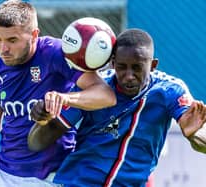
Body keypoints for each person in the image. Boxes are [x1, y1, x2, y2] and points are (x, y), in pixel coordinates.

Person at [0, 1, 117, 187]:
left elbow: (105, 95)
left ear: (34, 35)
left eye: (12, 40)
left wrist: (65, 98)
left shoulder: (55, 53)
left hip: (51, 176)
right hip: (2, 175)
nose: (3, 49)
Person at [28, 28, 206, 187]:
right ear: (113, 63)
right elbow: (37, 143)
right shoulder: (96, 88)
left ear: (152, 66)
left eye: (137, 68)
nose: (129, 76)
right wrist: (43, 119)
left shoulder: (170, 90)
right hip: (77, 181)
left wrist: (194, 136)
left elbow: (200, 141)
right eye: (122, 67)